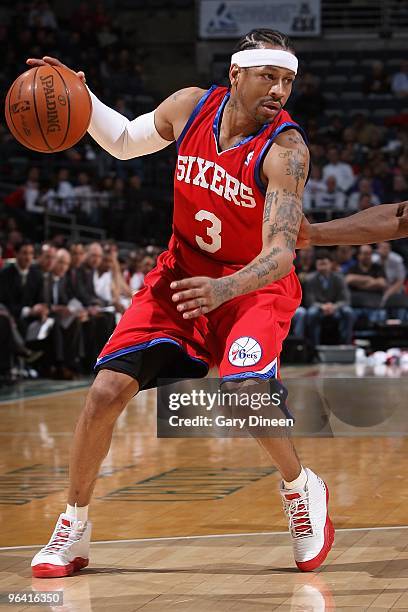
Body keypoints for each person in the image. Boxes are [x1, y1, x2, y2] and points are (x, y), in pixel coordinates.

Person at [28, 29, 335, 578]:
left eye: (288, 81)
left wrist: (225, 289)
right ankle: (73, 525)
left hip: (251, 288)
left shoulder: (286, 152)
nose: (280, 90)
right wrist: (82, 96)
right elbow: (123, 139)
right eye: (270, 77)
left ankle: (300, 489)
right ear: (237, 74)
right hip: (181, 275)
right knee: (105, 391)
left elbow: (282, 254)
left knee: (244, 393)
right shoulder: (190, 107)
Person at [304, 250, 354, 346]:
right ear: (316, 265)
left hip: (336, 308)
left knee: (348, 312)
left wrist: (334, 306)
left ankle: (345, 345)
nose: (323, 267)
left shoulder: (339, 278)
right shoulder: (310, 279)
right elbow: (309, 301)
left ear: (331, 264)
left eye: (325, 264)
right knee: (311, 313)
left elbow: (345, 299)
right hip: (319, 309)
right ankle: (314, 346)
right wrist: (322, 306)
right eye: (320, 264)